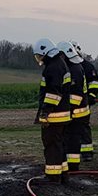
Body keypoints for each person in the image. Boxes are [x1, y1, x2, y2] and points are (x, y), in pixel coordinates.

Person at [33, 38, 72, 183]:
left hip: (54, 115)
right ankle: (63, 174)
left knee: (51, 145)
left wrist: (45, 112)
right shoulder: (59, 63)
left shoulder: (53, 67)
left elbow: (53, 93)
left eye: (39, 55)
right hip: (61, 114)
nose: (39, 59)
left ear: (45, 52)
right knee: (58, 144)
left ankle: (53, 177)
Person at [57, 41, 89, 174]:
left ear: (64, 55)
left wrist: (67, 110)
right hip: (77, 112)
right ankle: (72, 166)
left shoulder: (74, 70)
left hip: (76, 113)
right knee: (71, 139)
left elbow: (75, 96)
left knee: (73, 140)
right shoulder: (73, 66)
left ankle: (73, 167)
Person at [71, 40, 98, 160]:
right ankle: (73, 151)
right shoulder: (68, 66)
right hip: (72, 104)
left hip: (83, 103)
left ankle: (87, 152)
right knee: (72, 129)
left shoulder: (87, 66)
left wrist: (92, 96)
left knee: (83, 128)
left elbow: (94, 82)